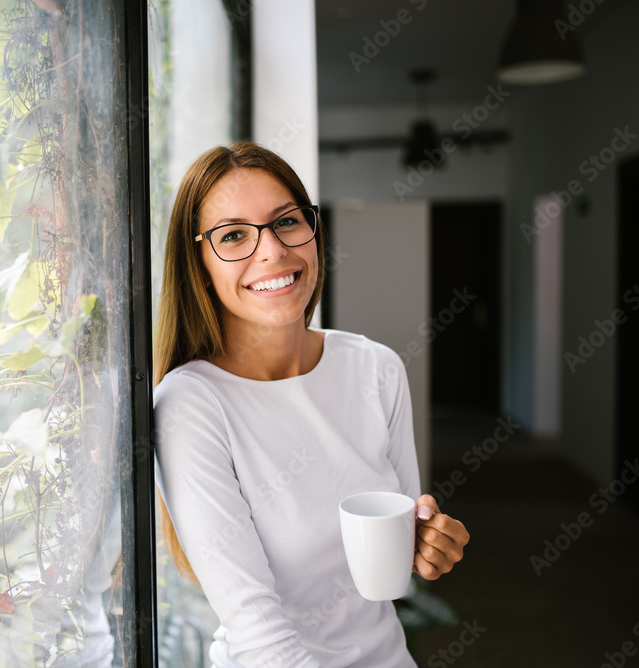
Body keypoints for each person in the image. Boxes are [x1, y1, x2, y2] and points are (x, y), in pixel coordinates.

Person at [153, 141, 470, 667]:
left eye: (287, 222)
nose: (273, 251)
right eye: (233, 236)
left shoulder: (376, 368)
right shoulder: (192, 405)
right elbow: (260, 638)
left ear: (313, 230)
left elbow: (403, 545)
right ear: (198, 264)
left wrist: (430, 545)